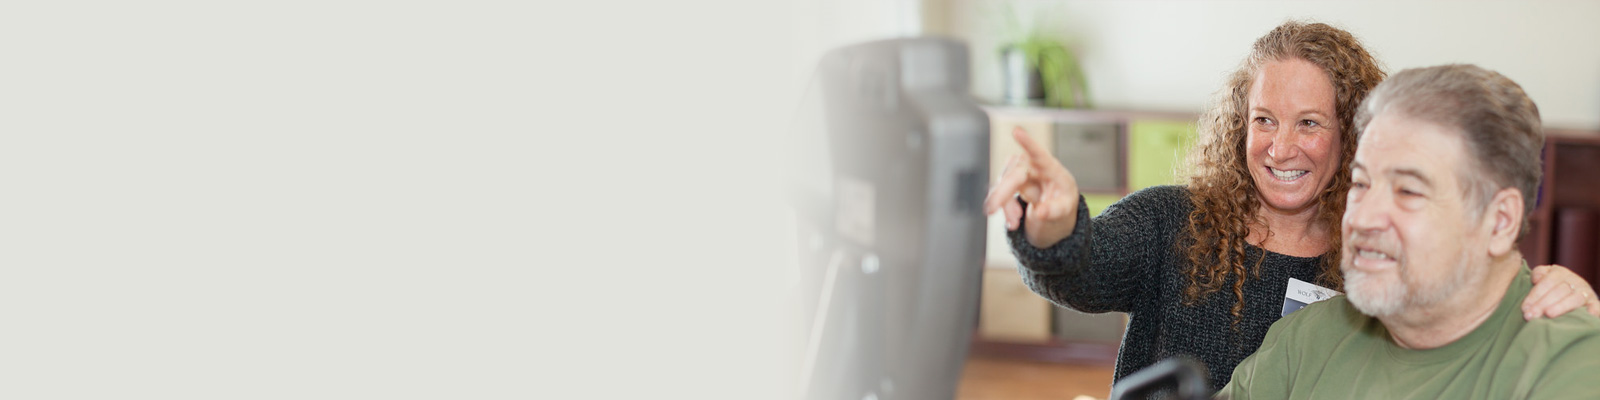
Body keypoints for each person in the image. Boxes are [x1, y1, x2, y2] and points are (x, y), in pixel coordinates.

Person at [981, 21, 1600, 393]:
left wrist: (1537, 290)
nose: (1281, 146)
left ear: (1347, 134)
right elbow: (1085, 267)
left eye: (1308, 122)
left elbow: (1477, 289)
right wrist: (1055, 227)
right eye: (1264, 121)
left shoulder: (1377, 269)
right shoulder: (1180, 226)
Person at [1218, 64, 1600, 399]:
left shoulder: (1571, 364)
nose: (1364, 218)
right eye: (1362, 185)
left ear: (1499, 221)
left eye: (1408, 191)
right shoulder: (1305, 340)